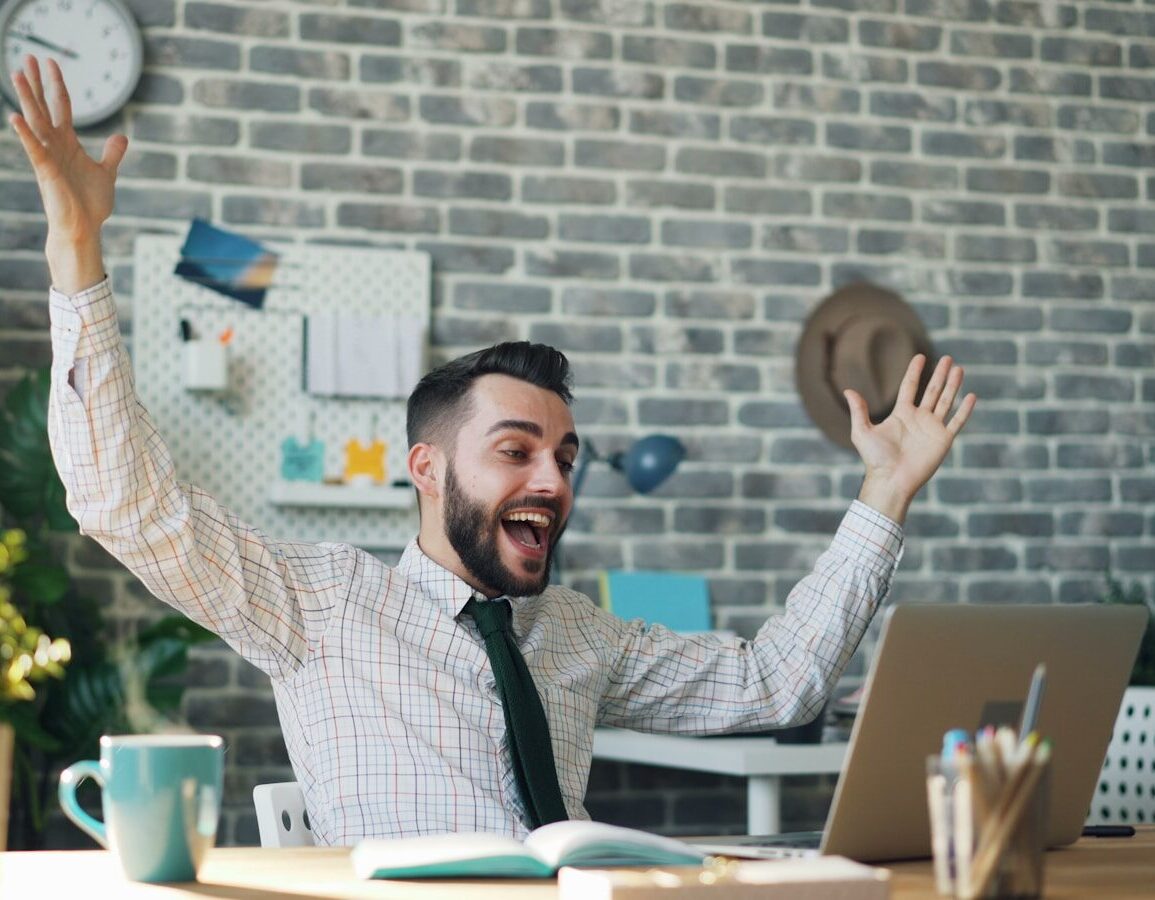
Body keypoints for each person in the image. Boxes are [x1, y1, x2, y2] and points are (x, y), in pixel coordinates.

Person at [10, 57, 976, 844]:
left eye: (563, 455)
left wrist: (884, 490)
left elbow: (776, 682)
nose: (552, 480)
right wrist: (75, 255)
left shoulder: (579, 634)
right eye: (516, 451)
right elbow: (125, 505)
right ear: (425, 470)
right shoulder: (320, 603)